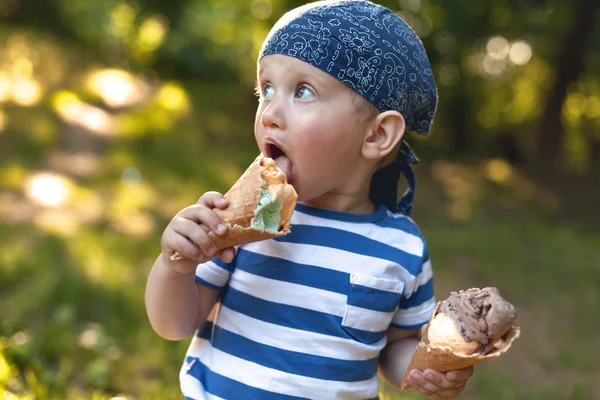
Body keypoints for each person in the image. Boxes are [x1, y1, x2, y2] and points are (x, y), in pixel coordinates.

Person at [145, 1, 474, 399]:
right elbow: (174, 325)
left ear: (376, 135)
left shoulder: (401, 247)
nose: (269, 112)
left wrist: (425, 367)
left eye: (302, 91)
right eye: (265, 89)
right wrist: (175, 266)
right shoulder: (242, 221)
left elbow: (395, 347)